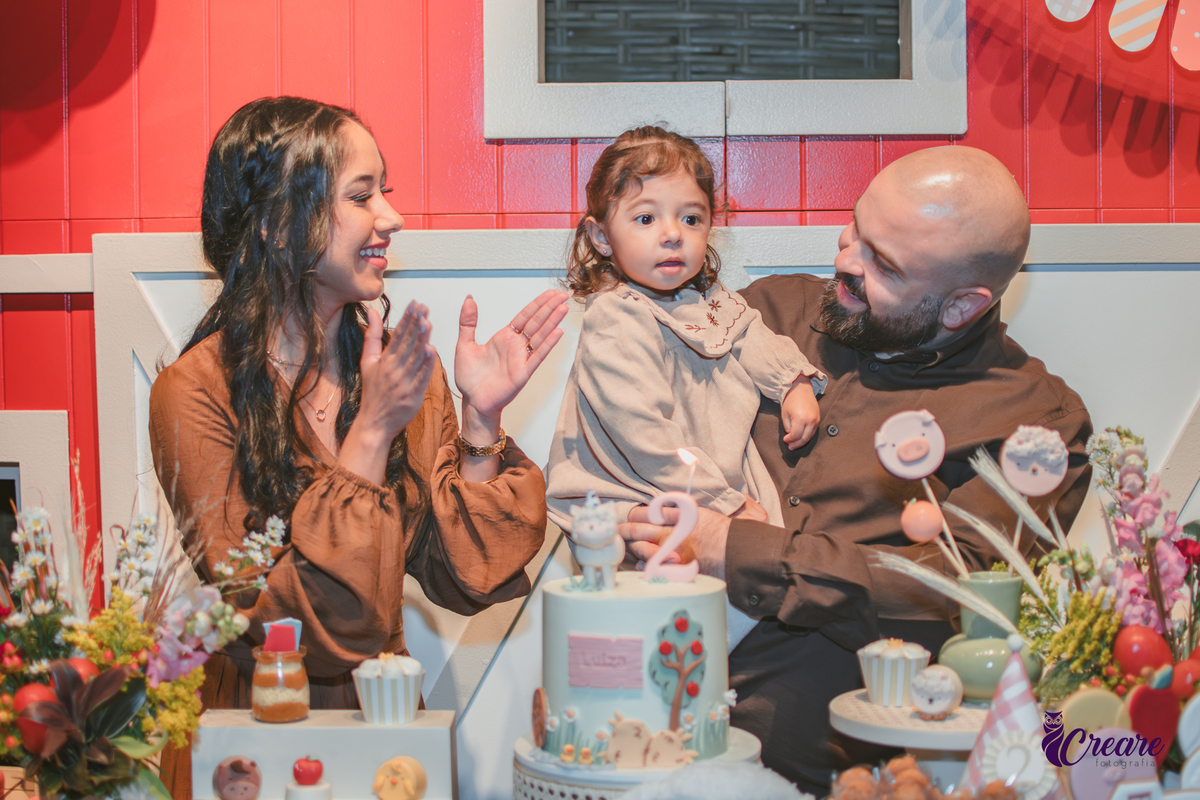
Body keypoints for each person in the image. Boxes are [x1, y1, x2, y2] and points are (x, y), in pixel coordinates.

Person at [620, 145, 1094, 795]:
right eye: (855, 228)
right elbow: (638, 430)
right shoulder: (765, 315)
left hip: (837, 777)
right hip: (636, 733)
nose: (846, 260)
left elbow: (951, 597)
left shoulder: (1034, 425)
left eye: (884, 263)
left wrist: (736, 548)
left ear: (961, 306)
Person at [149, 97, 569, 795]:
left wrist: (480, 423)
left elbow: (464, 577)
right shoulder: (194, 393)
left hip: (386, 733)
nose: (393, 218)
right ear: (280, 224)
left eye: (387, 192)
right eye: (362, 195)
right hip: (255, 741)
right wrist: (371, 432)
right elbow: (284, 622)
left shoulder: (398, 370)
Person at [543, 126, 827, 644]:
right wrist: (724, 504)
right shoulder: (617, 315)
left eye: (691, 218)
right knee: (657, 614)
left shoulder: (709, 301)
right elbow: (640, 431)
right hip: (637, 484)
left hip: (710, 478)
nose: (672, 233)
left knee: (750, 577)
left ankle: (708, 681)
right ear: (602, 236)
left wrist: (793, 384)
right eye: (646, 218)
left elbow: (752, 336)